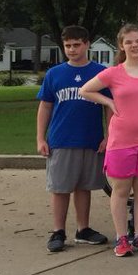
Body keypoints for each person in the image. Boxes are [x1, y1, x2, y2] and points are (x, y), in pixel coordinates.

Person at [79, 23, 138, 257]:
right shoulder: (114, 73)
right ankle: (122, 238)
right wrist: (108, 102)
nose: (134, 45)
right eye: (129, 42)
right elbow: (85, 90)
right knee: (120, 190)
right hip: (121, 141)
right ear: (121, 45)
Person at [35, 25, 110, 253]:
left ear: (87, 44)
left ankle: (83, 229)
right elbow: (45, 106)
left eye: (76, 45)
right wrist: (40, 137)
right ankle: (58, 231)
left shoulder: (101, 73)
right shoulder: (55, 74)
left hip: (90, 138)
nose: (72, 49)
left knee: (84, 186)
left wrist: (108, 136)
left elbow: (109, 108)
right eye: (68, 45)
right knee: (60, 187)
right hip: (61, 138)